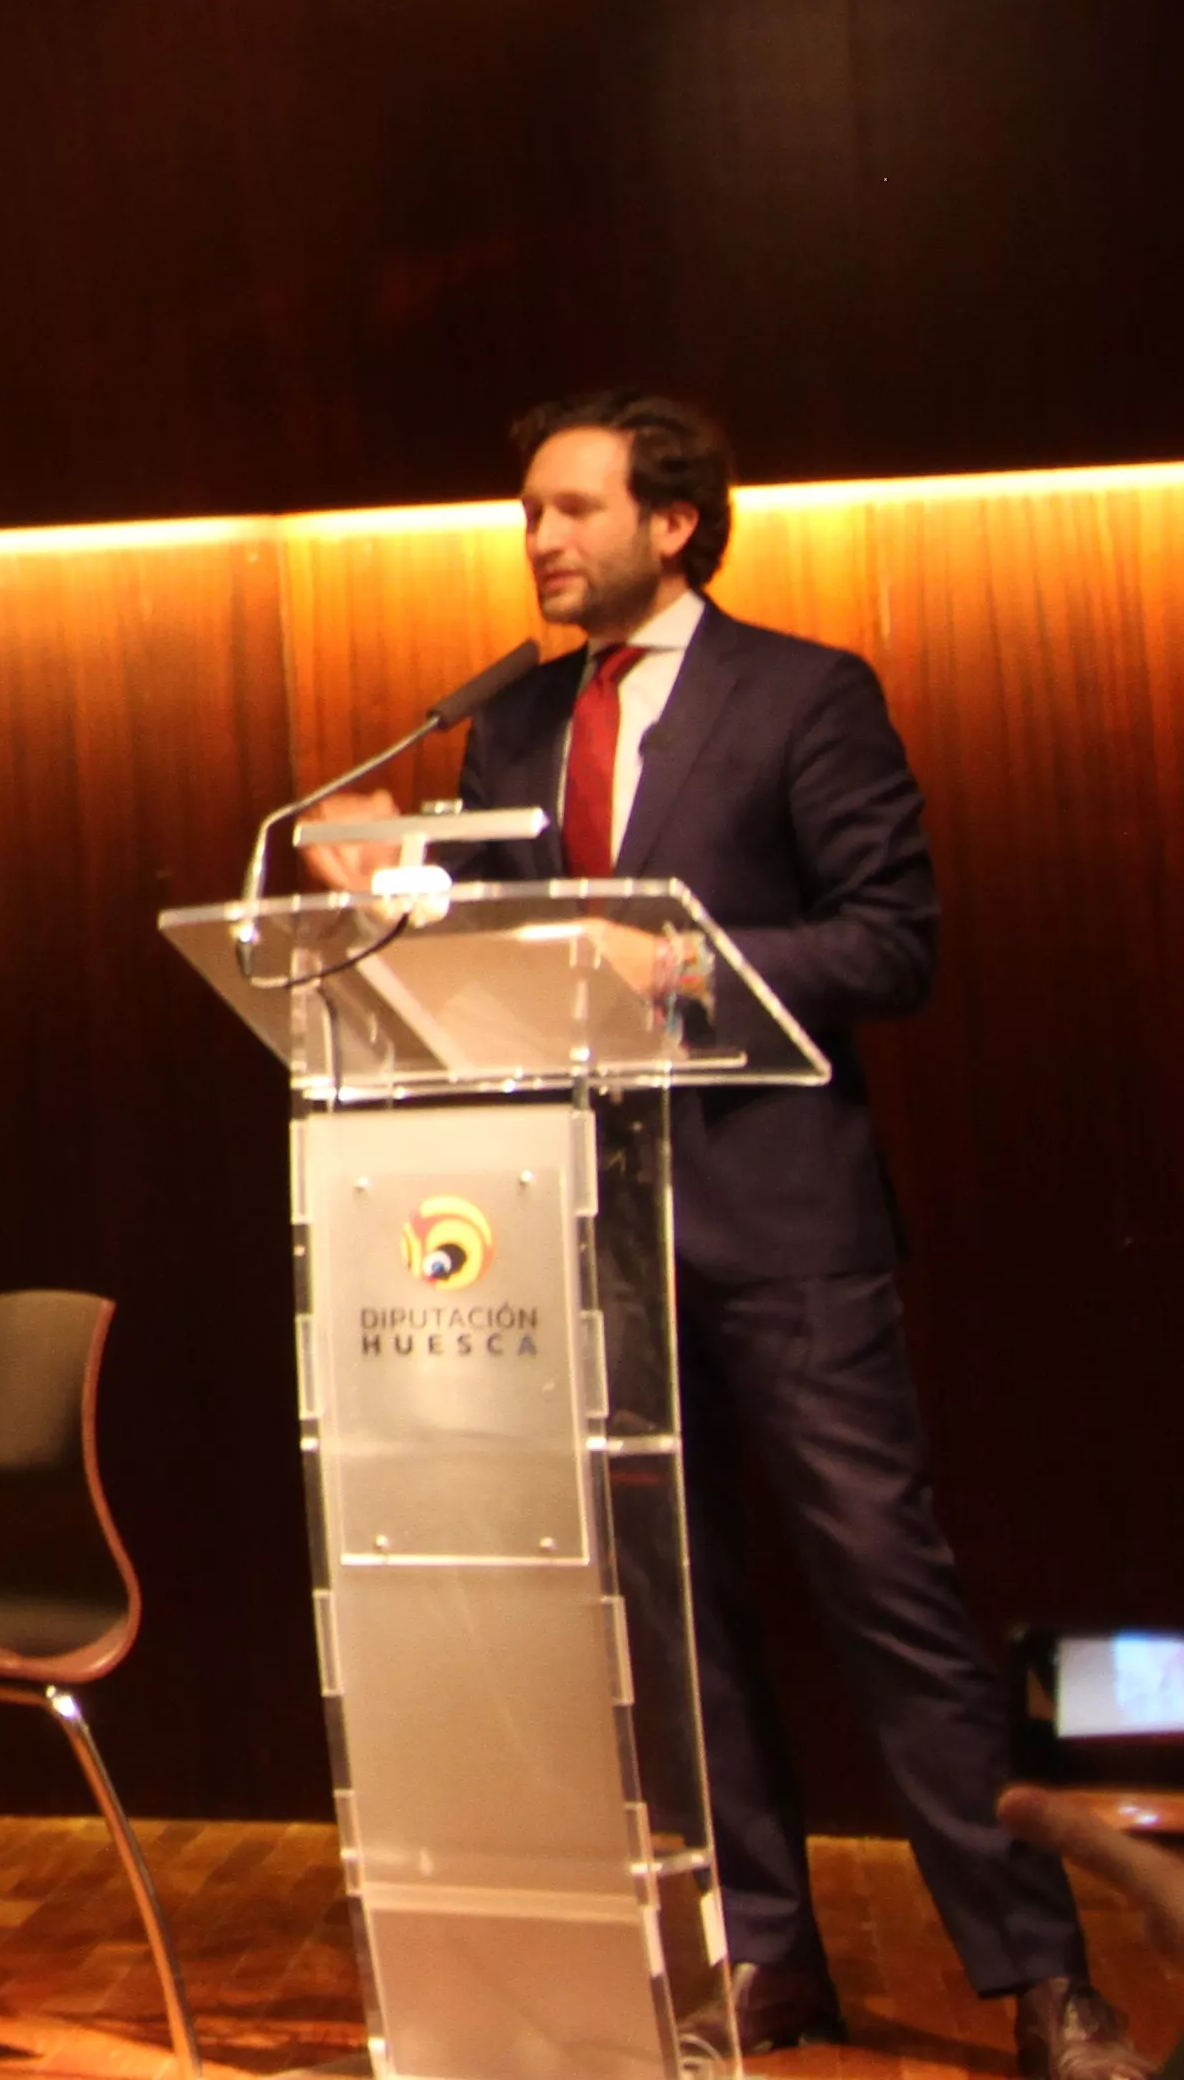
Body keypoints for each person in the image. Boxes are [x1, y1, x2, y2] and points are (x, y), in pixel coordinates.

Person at [323, 396, 1133, 2080]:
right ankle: (763, 1955)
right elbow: (499, 953)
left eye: (566, 508)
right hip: (577, 1234)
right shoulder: (516, 722)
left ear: (670, 522)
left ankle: (1036, 1976)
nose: (535, 540)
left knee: (885, 1600)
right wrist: (393, 887)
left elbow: (886, 943)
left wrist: (688, 963)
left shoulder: (802, 695)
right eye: (523, 511)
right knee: (665, 1620)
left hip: (776, 1222)